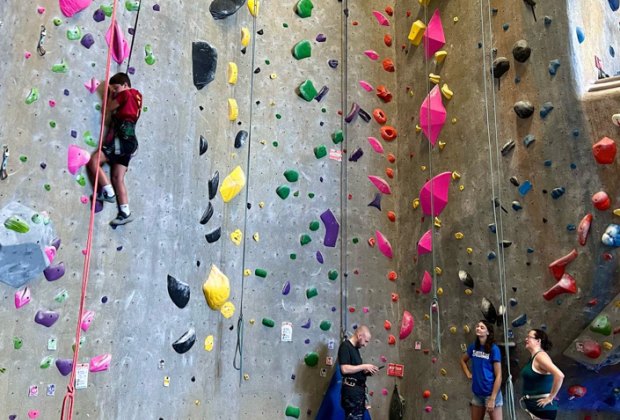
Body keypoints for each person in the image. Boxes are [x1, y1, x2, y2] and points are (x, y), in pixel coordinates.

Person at [87, 72, 142, 226]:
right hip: (130, 143)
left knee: (94, 160)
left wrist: (110, 93)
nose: (116, 91)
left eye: (117, 88)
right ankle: (125, 212)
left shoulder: (125, 94)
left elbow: (108, 108)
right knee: (118, 178)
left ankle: (108, 192)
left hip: (121, 138)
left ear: (125, 85)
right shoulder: (137, 98)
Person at [460, 320, 503, 420]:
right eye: (478, 326)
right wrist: (468, 373)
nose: (478, 328)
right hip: (478, 394)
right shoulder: (473, 347)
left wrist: (492, 399)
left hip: (491, 394)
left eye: (482, 327)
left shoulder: (494, 349)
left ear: (487, 332)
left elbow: (499, 376)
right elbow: (462, 360)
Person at [519, 329, 564, 419]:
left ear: (538, 341)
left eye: (529, 337)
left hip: (543, 410)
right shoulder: (534, 358)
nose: (526, 339)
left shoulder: (540, 356)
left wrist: (551, 397)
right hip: (536, 409)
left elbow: (559, 375)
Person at [337, 325, 378, 420]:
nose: (365, 345)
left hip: (358, 392)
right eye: (366, 341)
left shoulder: (356, 350)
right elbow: (344, 369)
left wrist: (366, 372)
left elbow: (355, 370)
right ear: (360, 336)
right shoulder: (345, 346)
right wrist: (364, 366)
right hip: (351, 393)